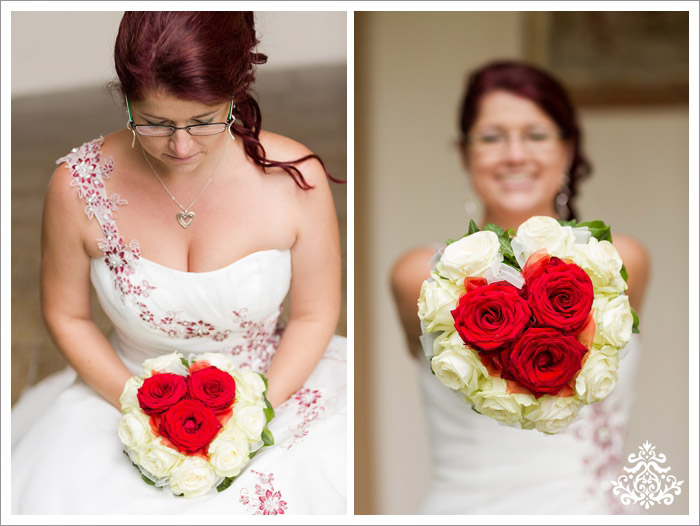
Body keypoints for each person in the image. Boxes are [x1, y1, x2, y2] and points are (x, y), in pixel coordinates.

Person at [12, 12, 346, 514]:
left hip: (274, 386)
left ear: (234, 93)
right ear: (126, 99)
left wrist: (253, 414)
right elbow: (68, 315)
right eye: (155, 123)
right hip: (124, 394)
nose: (181, 146)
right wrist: (142, 407)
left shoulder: (297, 179)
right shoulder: (77, 187)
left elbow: (313, 315)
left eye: (204, 120)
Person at [391, 60, 649, 514]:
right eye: (492, 137)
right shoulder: (422, 275)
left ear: (567, 149)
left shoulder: (622, 263)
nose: (514, 154)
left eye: (536, 135)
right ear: (464, 152)